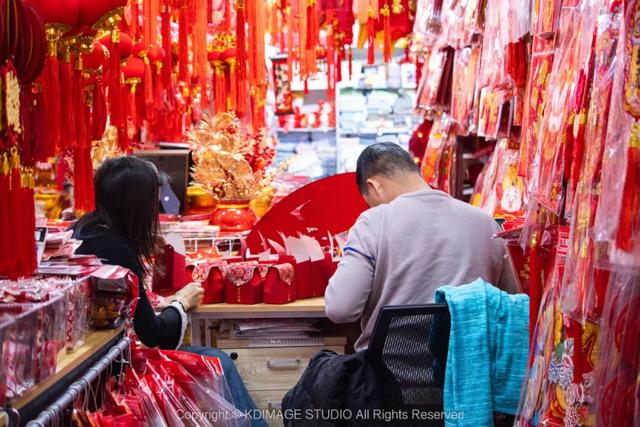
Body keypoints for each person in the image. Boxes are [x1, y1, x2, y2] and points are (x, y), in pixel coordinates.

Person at [73, 156, 266, 426]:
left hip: (97, 365)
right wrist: (181, 303)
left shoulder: (86, 231)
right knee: (218, 361)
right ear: (138, 206)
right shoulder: (116, 249)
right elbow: (153, 336)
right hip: (119, 374)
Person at [325, 143, 521, 351]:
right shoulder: (487, 223)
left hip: (387, 374)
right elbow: (511, 302)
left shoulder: (373, 222)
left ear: (374, 186)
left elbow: (340, 309)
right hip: (469, 371)